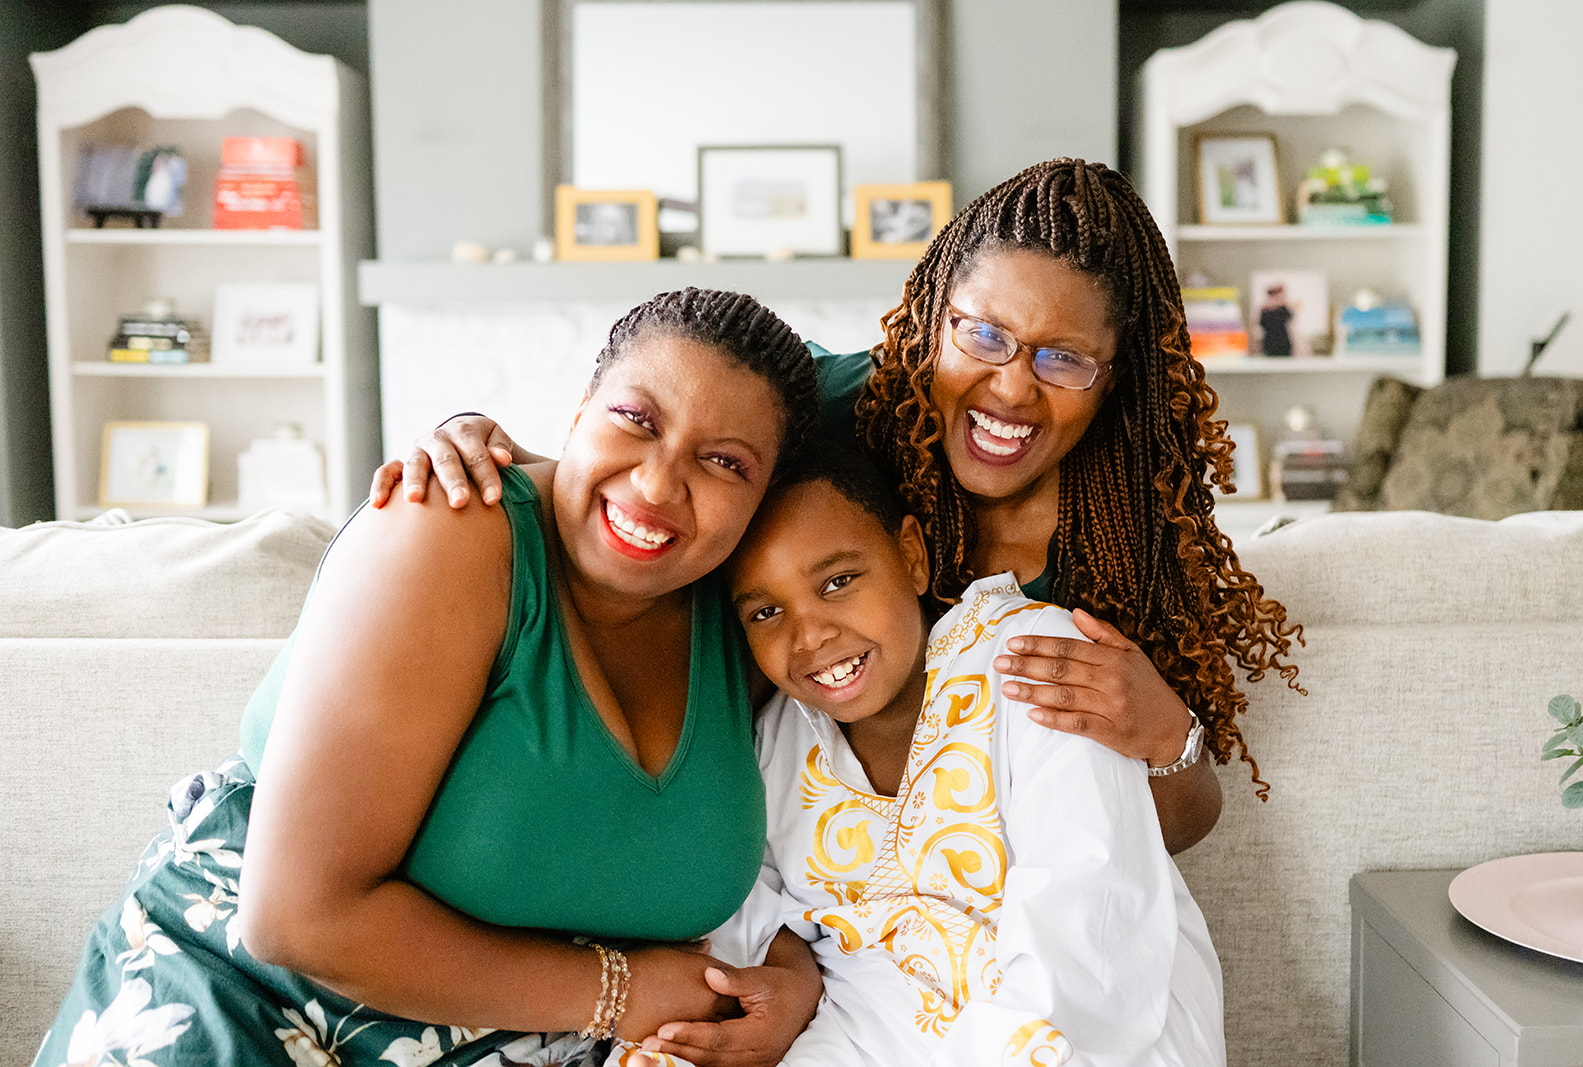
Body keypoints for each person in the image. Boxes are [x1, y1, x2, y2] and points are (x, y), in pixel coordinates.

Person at [373, 157, 1305, 846]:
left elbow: (1169, 827)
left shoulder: (1129, 534)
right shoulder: (835, 407)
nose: (1012, 390)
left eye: (1063, 358)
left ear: (1114, 378)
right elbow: (637, 478)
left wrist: (1170, 734)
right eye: (982, 333)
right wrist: (475, 439)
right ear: (936, 311)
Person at [32, 289, 828, 1067]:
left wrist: (792, 980)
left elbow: (831, 859)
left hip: (520, 1037)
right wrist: (618, 992)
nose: (656, 485)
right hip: (246, 997)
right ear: (581, 405)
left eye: (725, 462)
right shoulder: (452, 528)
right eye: (635, 419)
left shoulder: (754, 622)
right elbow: (293, 920)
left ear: (766, 495)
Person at [626, 444, 1225, 1066]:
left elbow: (1089, 928)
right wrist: (785, 980)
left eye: (838, 582)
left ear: (910, 556)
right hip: (864, 1031)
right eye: (766, 611)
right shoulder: (775, 737)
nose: (810, 636)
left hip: (1067, 1030)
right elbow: (756, 911)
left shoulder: (1031, 662)